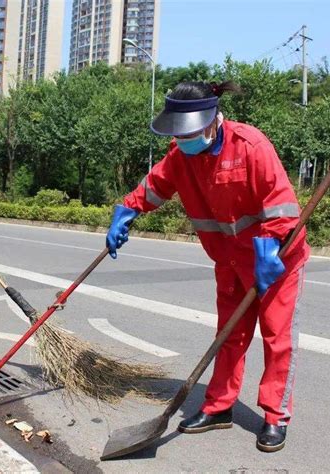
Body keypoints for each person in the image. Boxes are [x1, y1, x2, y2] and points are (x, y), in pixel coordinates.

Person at [106, 81, 309, 453]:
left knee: (277, 339)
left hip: (275, 260)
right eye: (178, 134)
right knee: (229, 336)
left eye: (190, 133)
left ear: (214, 121)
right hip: (229, 261)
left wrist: (269, 252)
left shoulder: (250, 146)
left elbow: (280, 205)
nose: (184, 140)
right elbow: (155, 187)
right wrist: (127, 211)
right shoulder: (181, 157)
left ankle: (276, 416)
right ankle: (219, 407)